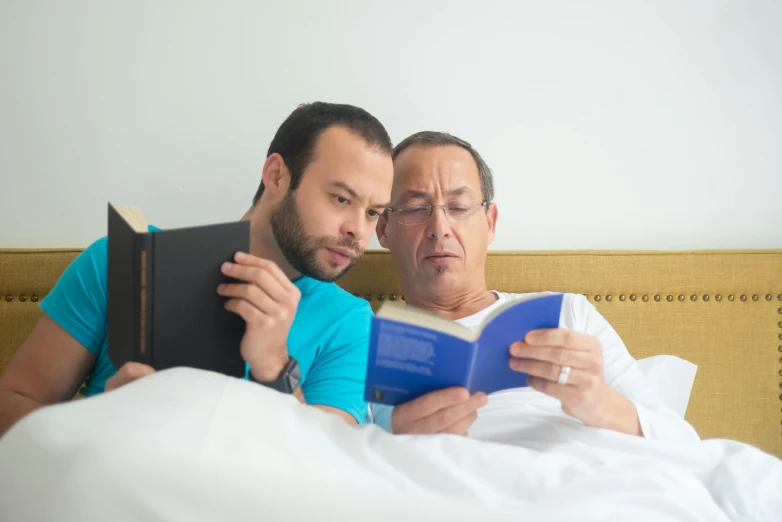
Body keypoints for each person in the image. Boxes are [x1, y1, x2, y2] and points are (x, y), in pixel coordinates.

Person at [0, 102, 394, 436]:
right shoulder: (126, 261)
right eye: (341, 199)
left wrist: (276, 366)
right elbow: (13, 406)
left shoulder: (352, 325)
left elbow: (324, 473)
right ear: (276, 175)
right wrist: (104, 423)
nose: (358, 230)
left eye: (373, 212)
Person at [371, 131, 699, 442]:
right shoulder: (358, 339)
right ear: (383, 228)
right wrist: (393, 439)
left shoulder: (571, 314)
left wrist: (598, 403)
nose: (439, 228)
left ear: (490, 222)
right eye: (415, 209)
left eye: (458, 207)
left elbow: (683, 441)